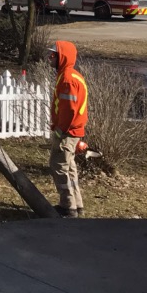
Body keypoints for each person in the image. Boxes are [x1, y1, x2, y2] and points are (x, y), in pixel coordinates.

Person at [48, 41, 88, 218]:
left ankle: (68, 207)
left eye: (54, 55)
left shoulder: (67, 79)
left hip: (67, 132)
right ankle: (76, 205)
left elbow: (69, 110)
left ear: (61, 57)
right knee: (70, 168)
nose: (50, 58)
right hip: (72, 131)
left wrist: (60, 130)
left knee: (59, 166)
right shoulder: (71, 76)